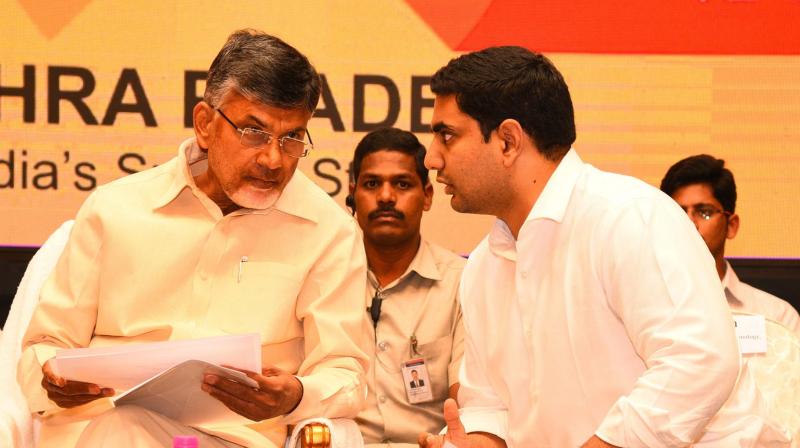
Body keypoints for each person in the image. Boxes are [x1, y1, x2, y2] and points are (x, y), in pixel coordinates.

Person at [17, 29, 369, 448]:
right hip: (95, 432)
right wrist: (53, 379)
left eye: (291, 138)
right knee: (123, 426)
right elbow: (44, 345)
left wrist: (295, 395)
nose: (273, 159)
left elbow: (347, 372)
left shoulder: (327, 232)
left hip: (231, 441)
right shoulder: (115, 210)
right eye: (254, 133)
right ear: (205, 123)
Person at [418, 46, 741, 448]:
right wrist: (477, 441)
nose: (431, 158)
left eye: (446, 135)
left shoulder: (629, 217)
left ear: (507, 141)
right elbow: (491, 406)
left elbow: (702, 362)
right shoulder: (485, 263)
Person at [347, 128, 465, 446]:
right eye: (372, 184)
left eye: (402, 184)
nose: (386, 197)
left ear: (427, 195)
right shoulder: (327, 278)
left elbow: (468, 404)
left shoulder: (460, 283)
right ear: (352, 194)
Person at [660, 154, 800, 333]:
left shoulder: (777, 317)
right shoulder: (639, 309)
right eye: (678, 212)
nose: (689, 223)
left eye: (704, 212)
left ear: (731, 225)